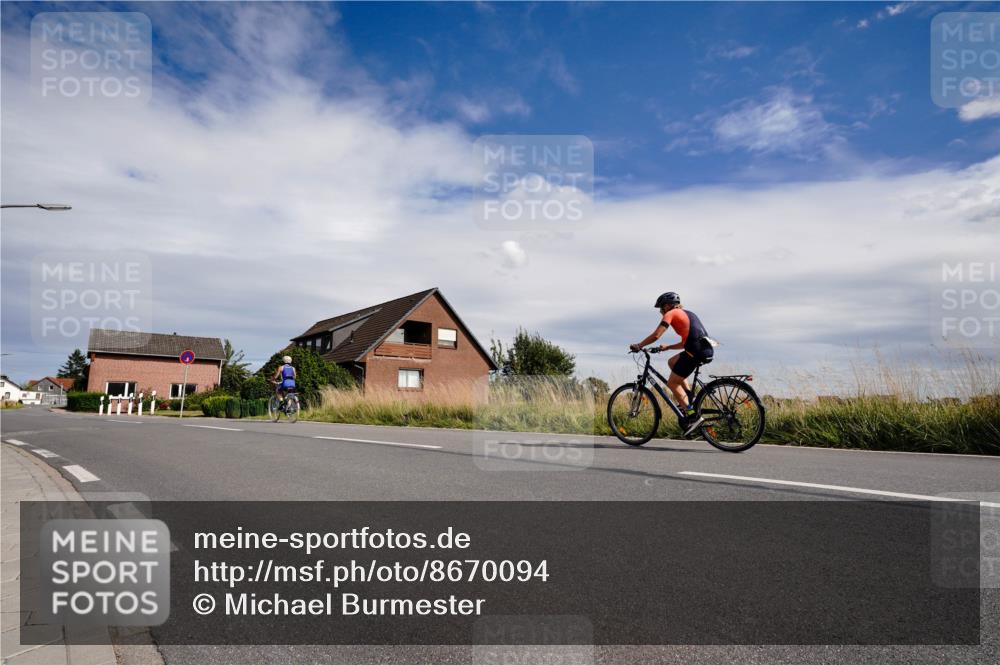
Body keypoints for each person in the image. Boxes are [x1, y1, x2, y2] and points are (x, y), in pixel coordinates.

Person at [629, 292, 715, 436]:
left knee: (672, 383)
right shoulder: (688, 313)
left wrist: (639, 345)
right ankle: (688, 395)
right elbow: (686, 342)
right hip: (704, 349)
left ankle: (693, 416)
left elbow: (656, 335)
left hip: (695, 351)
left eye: (661, 308)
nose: (661, 311)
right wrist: (668, 347)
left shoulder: (671, 313)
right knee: (672, 361)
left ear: (668, 305)